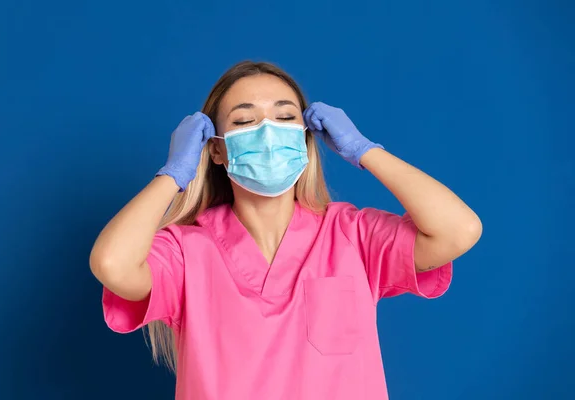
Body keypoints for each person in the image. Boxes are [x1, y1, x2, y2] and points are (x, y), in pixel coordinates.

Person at [90, 60, 482, 400]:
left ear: (308, 137)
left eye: (284, 117)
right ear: (217, 150)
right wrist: (174, 174)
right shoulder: (186, 252)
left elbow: (458, 230)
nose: (267, 133)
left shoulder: (353, 236)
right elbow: (113, 264)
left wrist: (364, 150)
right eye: (244, 121)